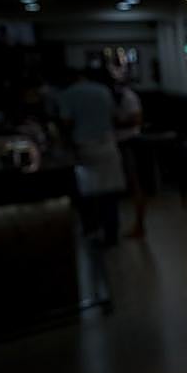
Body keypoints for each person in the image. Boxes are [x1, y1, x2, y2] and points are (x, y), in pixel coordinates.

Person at [58, 66, 125, 246]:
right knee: (109, 194)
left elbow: (66, 122)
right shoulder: (102, 91)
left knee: (89, 193)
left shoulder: (68, 94)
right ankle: (112, 234)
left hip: (85, 147)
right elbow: (114, 117)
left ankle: (93, 230)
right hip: (108, 144)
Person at [111, 77, 146, 238]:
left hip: (130, 142)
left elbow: (137, 120)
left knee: (135, 184)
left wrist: (115, 123)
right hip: (121, 142)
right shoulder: (117, 97)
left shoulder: (128, 97)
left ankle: (139, 225)